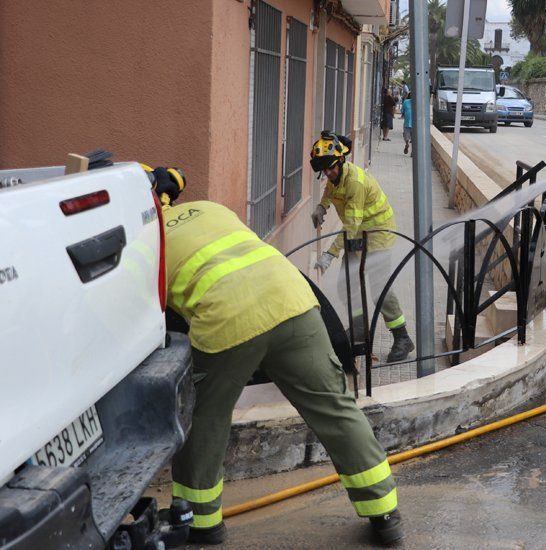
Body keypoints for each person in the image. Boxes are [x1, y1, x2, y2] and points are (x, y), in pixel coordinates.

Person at [146, 166, 403, 545]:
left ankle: (203, 523)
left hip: (227, 321)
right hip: (294, 300)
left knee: (205, 418)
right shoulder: (211, 209)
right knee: (334, 406)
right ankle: (385, 513)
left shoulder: (148, 239)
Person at [309, 131, 415, 363]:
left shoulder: (355, 182)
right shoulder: (336, 177)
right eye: (323, 170)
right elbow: (330, 191)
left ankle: (403, 337)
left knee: (378, 288)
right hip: (358, 232)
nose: (327, 173)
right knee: (346, 283)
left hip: (377, 233)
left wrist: (329, 253)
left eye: (330, 168)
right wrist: (321, 207)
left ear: (341, 161)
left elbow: (351, 225)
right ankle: (359, 332)